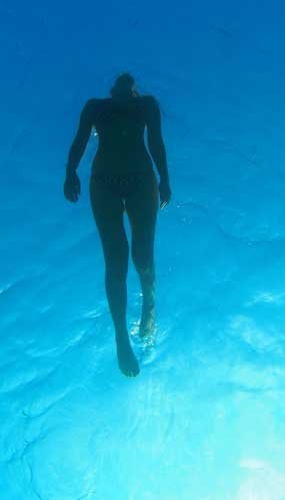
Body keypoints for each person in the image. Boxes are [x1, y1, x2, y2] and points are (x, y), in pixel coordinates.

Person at [63, 73, 171, 377]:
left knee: (141, 255)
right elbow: (80, 140)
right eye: (121, 81)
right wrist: (70, 171)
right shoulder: (95, 106)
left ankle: (149, 307)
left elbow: (156, 143)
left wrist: (165, 178)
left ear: (134, 91)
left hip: (141, 182)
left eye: (130, 82)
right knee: (115, 262)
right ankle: (121, 337)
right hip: (104, 184)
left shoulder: (147, 105)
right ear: (113, 90)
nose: (125, 80)